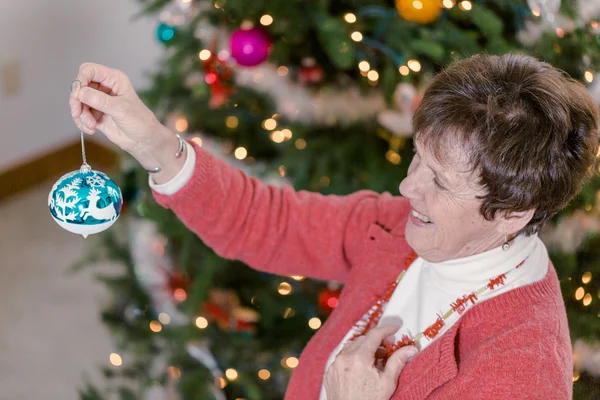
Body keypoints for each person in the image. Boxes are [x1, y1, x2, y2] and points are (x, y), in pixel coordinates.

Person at [69, 53, 599, 399]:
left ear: (512, 213)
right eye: (417, 158)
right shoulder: (400, 226)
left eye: (439, 181)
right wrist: (155, 145)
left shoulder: (520, 371)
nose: (407, 188)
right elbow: (267, 220)